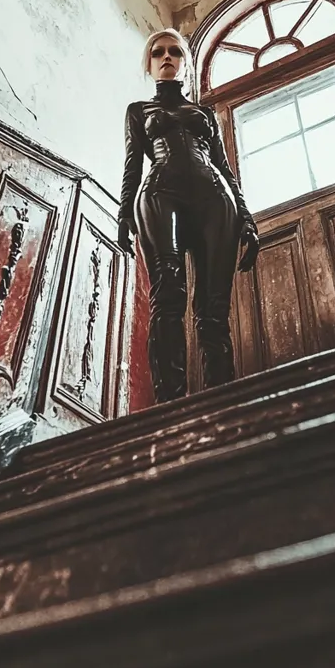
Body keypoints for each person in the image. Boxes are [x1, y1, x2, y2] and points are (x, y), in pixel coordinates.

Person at [118, 29, 260, 403]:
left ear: (185, 62)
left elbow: (225, 168)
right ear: (149, 64)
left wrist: (246, 216)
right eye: (158, 52)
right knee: (168, 296)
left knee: (214, 309)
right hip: (160, 195)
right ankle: (172, 405)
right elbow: (132, 166)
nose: (167, 57)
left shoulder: (204, 113)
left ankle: (221, 401)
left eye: (175, 52)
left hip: (215, 200)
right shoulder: (138, 111)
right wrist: (122, 214)